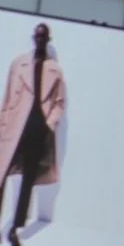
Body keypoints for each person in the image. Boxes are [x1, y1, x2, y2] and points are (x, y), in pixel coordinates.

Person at [0, 23, 63, 244]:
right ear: (33, 38)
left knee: (28, 181)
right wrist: (3, 123)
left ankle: (15, 228)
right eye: (37, 36)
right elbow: (7, 96)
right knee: (1, 174)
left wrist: (49, 124)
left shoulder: (54, 69)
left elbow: (59, 102)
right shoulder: (19, 63)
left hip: (37, 127)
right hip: (15, 125)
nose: (40, 40)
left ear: (48, 40)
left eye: (44, 37)